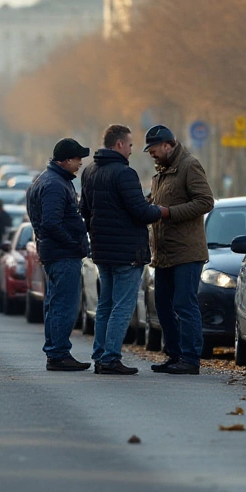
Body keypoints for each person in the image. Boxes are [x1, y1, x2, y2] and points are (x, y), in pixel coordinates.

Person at [80, 124, 168, 375]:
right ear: (119, 144)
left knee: (105, 304)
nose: (131, 150)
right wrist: (160, 210)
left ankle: (100, 353)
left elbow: (84, 211)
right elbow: (140, 211)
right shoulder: (124, 174)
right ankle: (110, 357)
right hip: (128, 252)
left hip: (102, 250)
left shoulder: (90, 171)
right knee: (122, 305)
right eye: (130, 144)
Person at [144, 125, 214, 375]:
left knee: (184, 304)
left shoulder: (189, 165)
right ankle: (174, 355)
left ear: (167, 145)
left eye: (153, 150)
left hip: (187, 252)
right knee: (162, 304)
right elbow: (153, 202)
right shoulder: (161, 173)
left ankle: (190, 358)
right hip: (164, 253)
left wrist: (169, 213)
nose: (151, 154)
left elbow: (205, 201)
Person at [26, 138, 92, 371]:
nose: (81, 163)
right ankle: (58, 353)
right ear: (64, 161)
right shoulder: (55, 185)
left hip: (54, 253)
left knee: (55, 303)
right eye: (77, 159)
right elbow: (51, 223)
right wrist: (74, 243)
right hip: (62, 255)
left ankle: (56, 352)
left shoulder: (45, 180)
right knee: (65, 304)